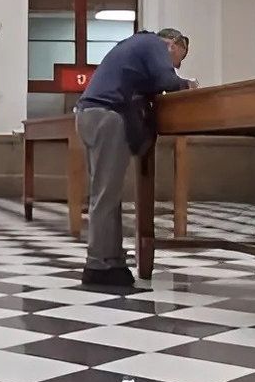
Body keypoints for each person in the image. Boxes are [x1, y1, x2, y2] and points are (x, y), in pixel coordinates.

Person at [72, 24, 191, 290]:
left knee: (106, 193)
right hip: (107, 116)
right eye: (178, 59)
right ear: (173, 44)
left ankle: (111, 260)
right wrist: (187, 84)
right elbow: (167, 81)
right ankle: (98, 265)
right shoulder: (155, 45)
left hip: (88, 115)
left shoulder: (132, 45)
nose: (176, 65)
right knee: (105, 195)